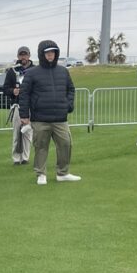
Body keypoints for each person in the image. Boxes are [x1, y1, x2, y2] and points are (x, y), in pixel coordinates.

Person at [18, 40, 80, 185]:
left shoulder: (63, 71)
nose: (50, 55)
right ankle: (41, 174)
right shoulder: (32, 73)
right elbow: (24, 95)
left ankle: (63, 173)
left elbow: (70, 89)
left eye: (53, 52)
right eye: (47, 52)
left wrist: (68, 105)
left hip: (60, 118)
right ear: (42, 54)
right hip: (40, 118)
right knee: (41, 146)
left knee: (66, 144)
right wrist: (24, 116)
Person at [3, 46, 35, 164]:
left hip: (31, 106)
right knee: (17, 132)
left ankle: (25, 157)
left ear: (29, 55)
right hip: (17, 105)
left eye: (25, 54)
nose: (23, 57)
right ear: (18, 56)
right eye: (21, 55)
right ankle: (16, 158)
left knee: (28, 132)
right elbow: (5, 88)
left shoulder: (35, 70)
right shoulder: (12, 71)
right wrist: (13, 91)